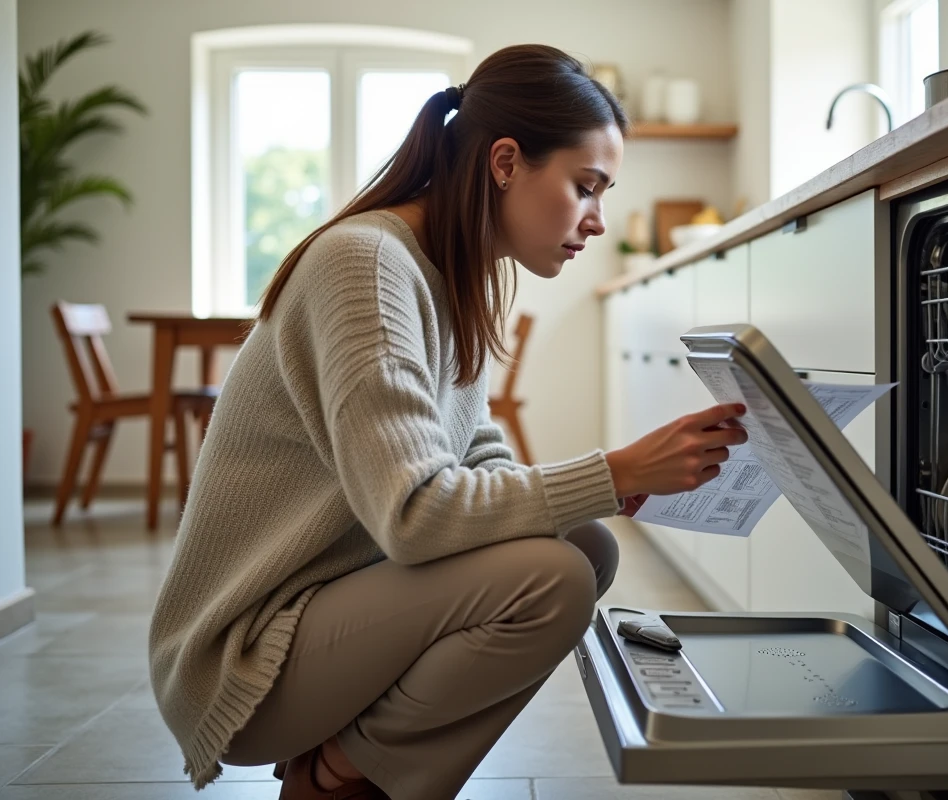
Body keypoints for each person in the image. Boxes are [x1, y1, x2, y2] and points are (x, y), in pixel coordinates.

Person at [148, 43, 747, 800]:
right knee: (552, 579)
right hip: (247, 654)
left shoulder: (448, 274)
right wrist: (613, 471)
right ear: (505, 162)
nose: (598, 220)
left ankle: (351, 766)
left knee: (586, 547)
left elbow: (478, 456)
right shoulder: (365, 266)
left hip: (329, 608)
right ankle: (342, 778)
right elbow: (413, 516)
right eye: (586, 186)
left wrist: (603, 490)